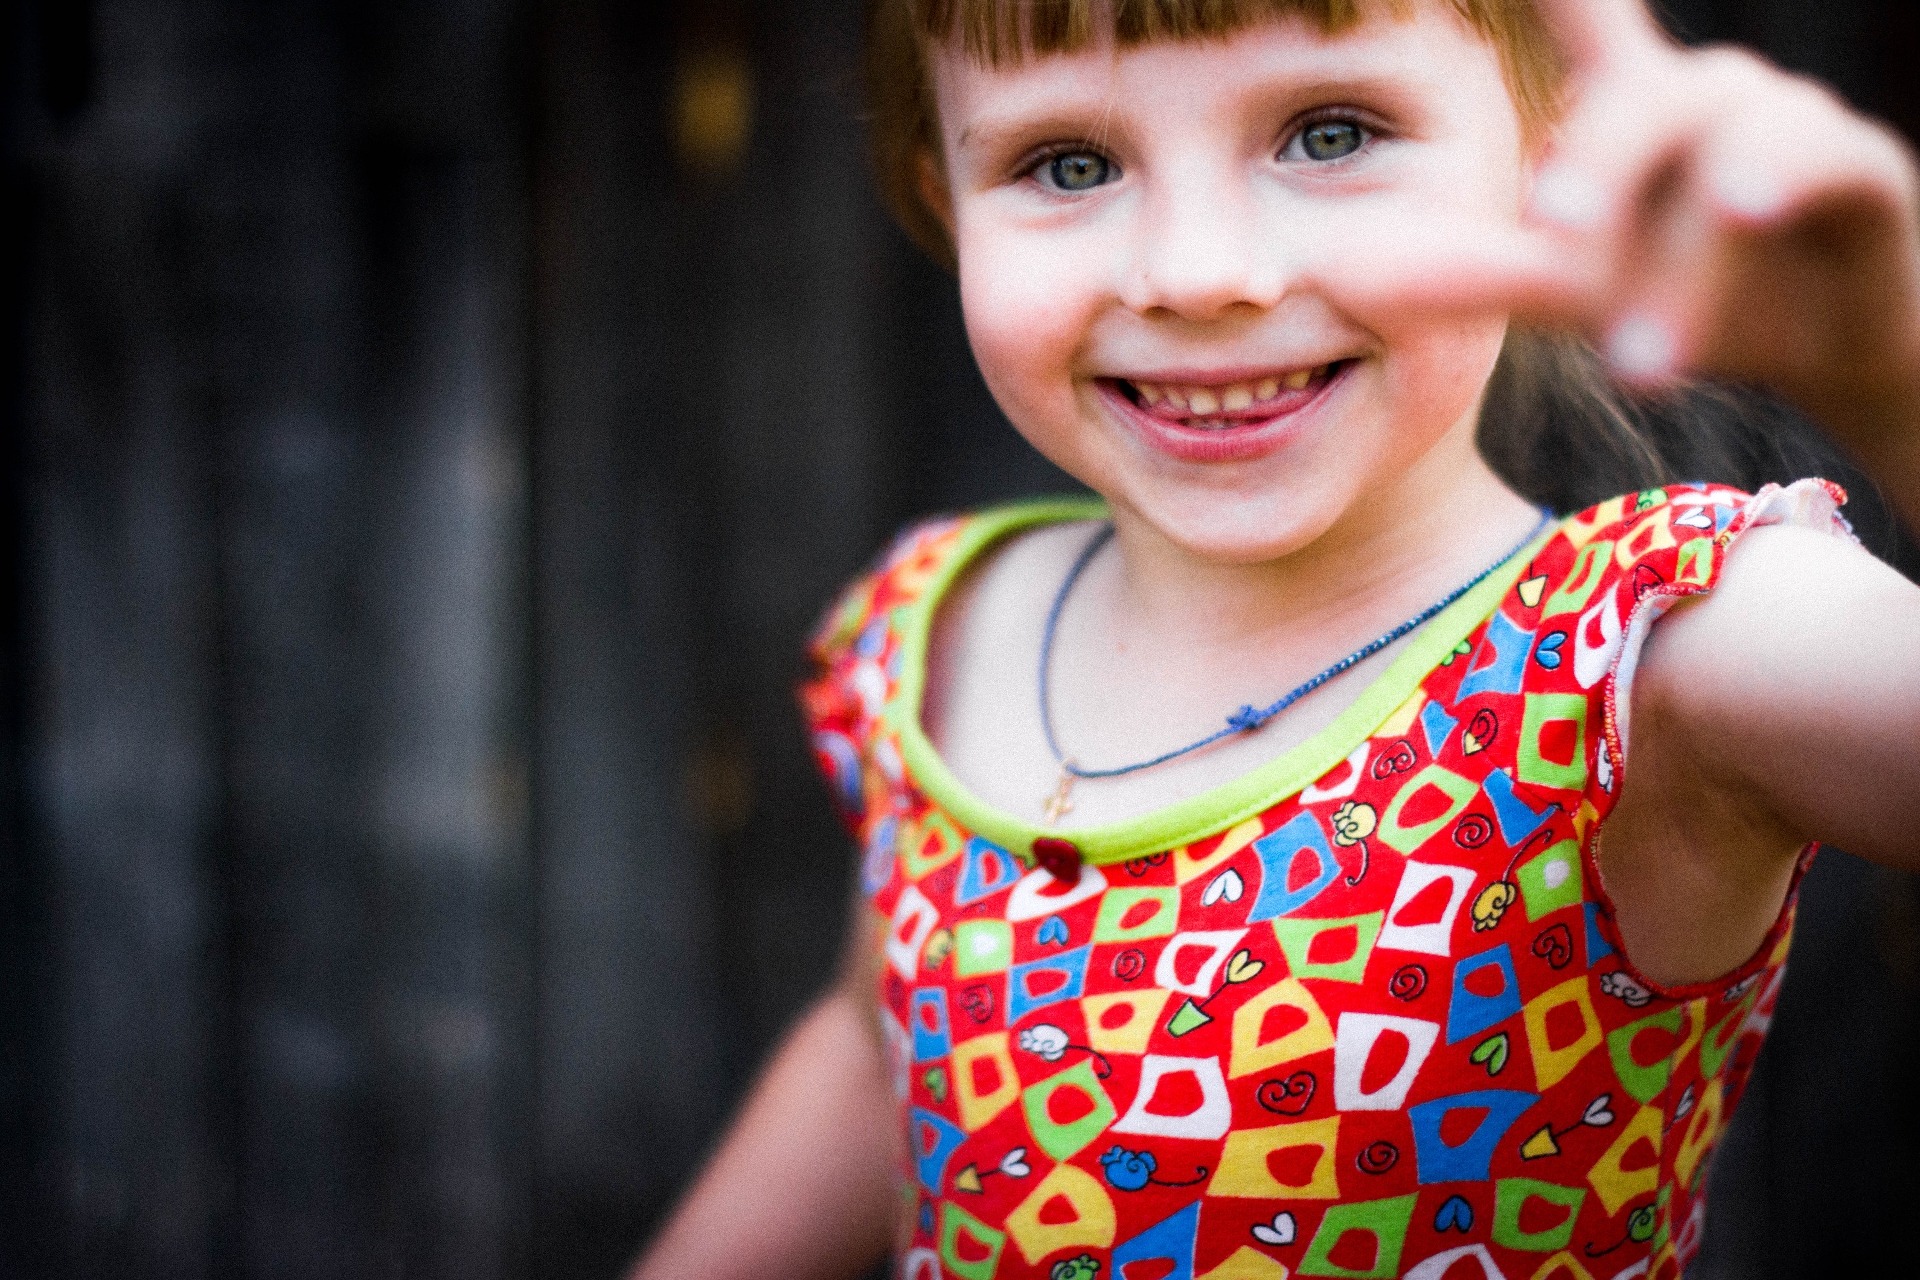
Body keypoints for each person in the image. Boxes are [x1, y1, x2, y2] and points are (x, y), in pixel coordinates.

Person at [634, 0, 1920, 1276]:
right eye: (1067, 164)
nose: (1198, 273)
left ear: (1556, 161)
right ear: (947, 198)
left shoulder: (1656, 652)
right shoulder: (945, 624)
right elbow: (887, 1051)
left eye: (1329, 131)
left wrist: (1892, 370)